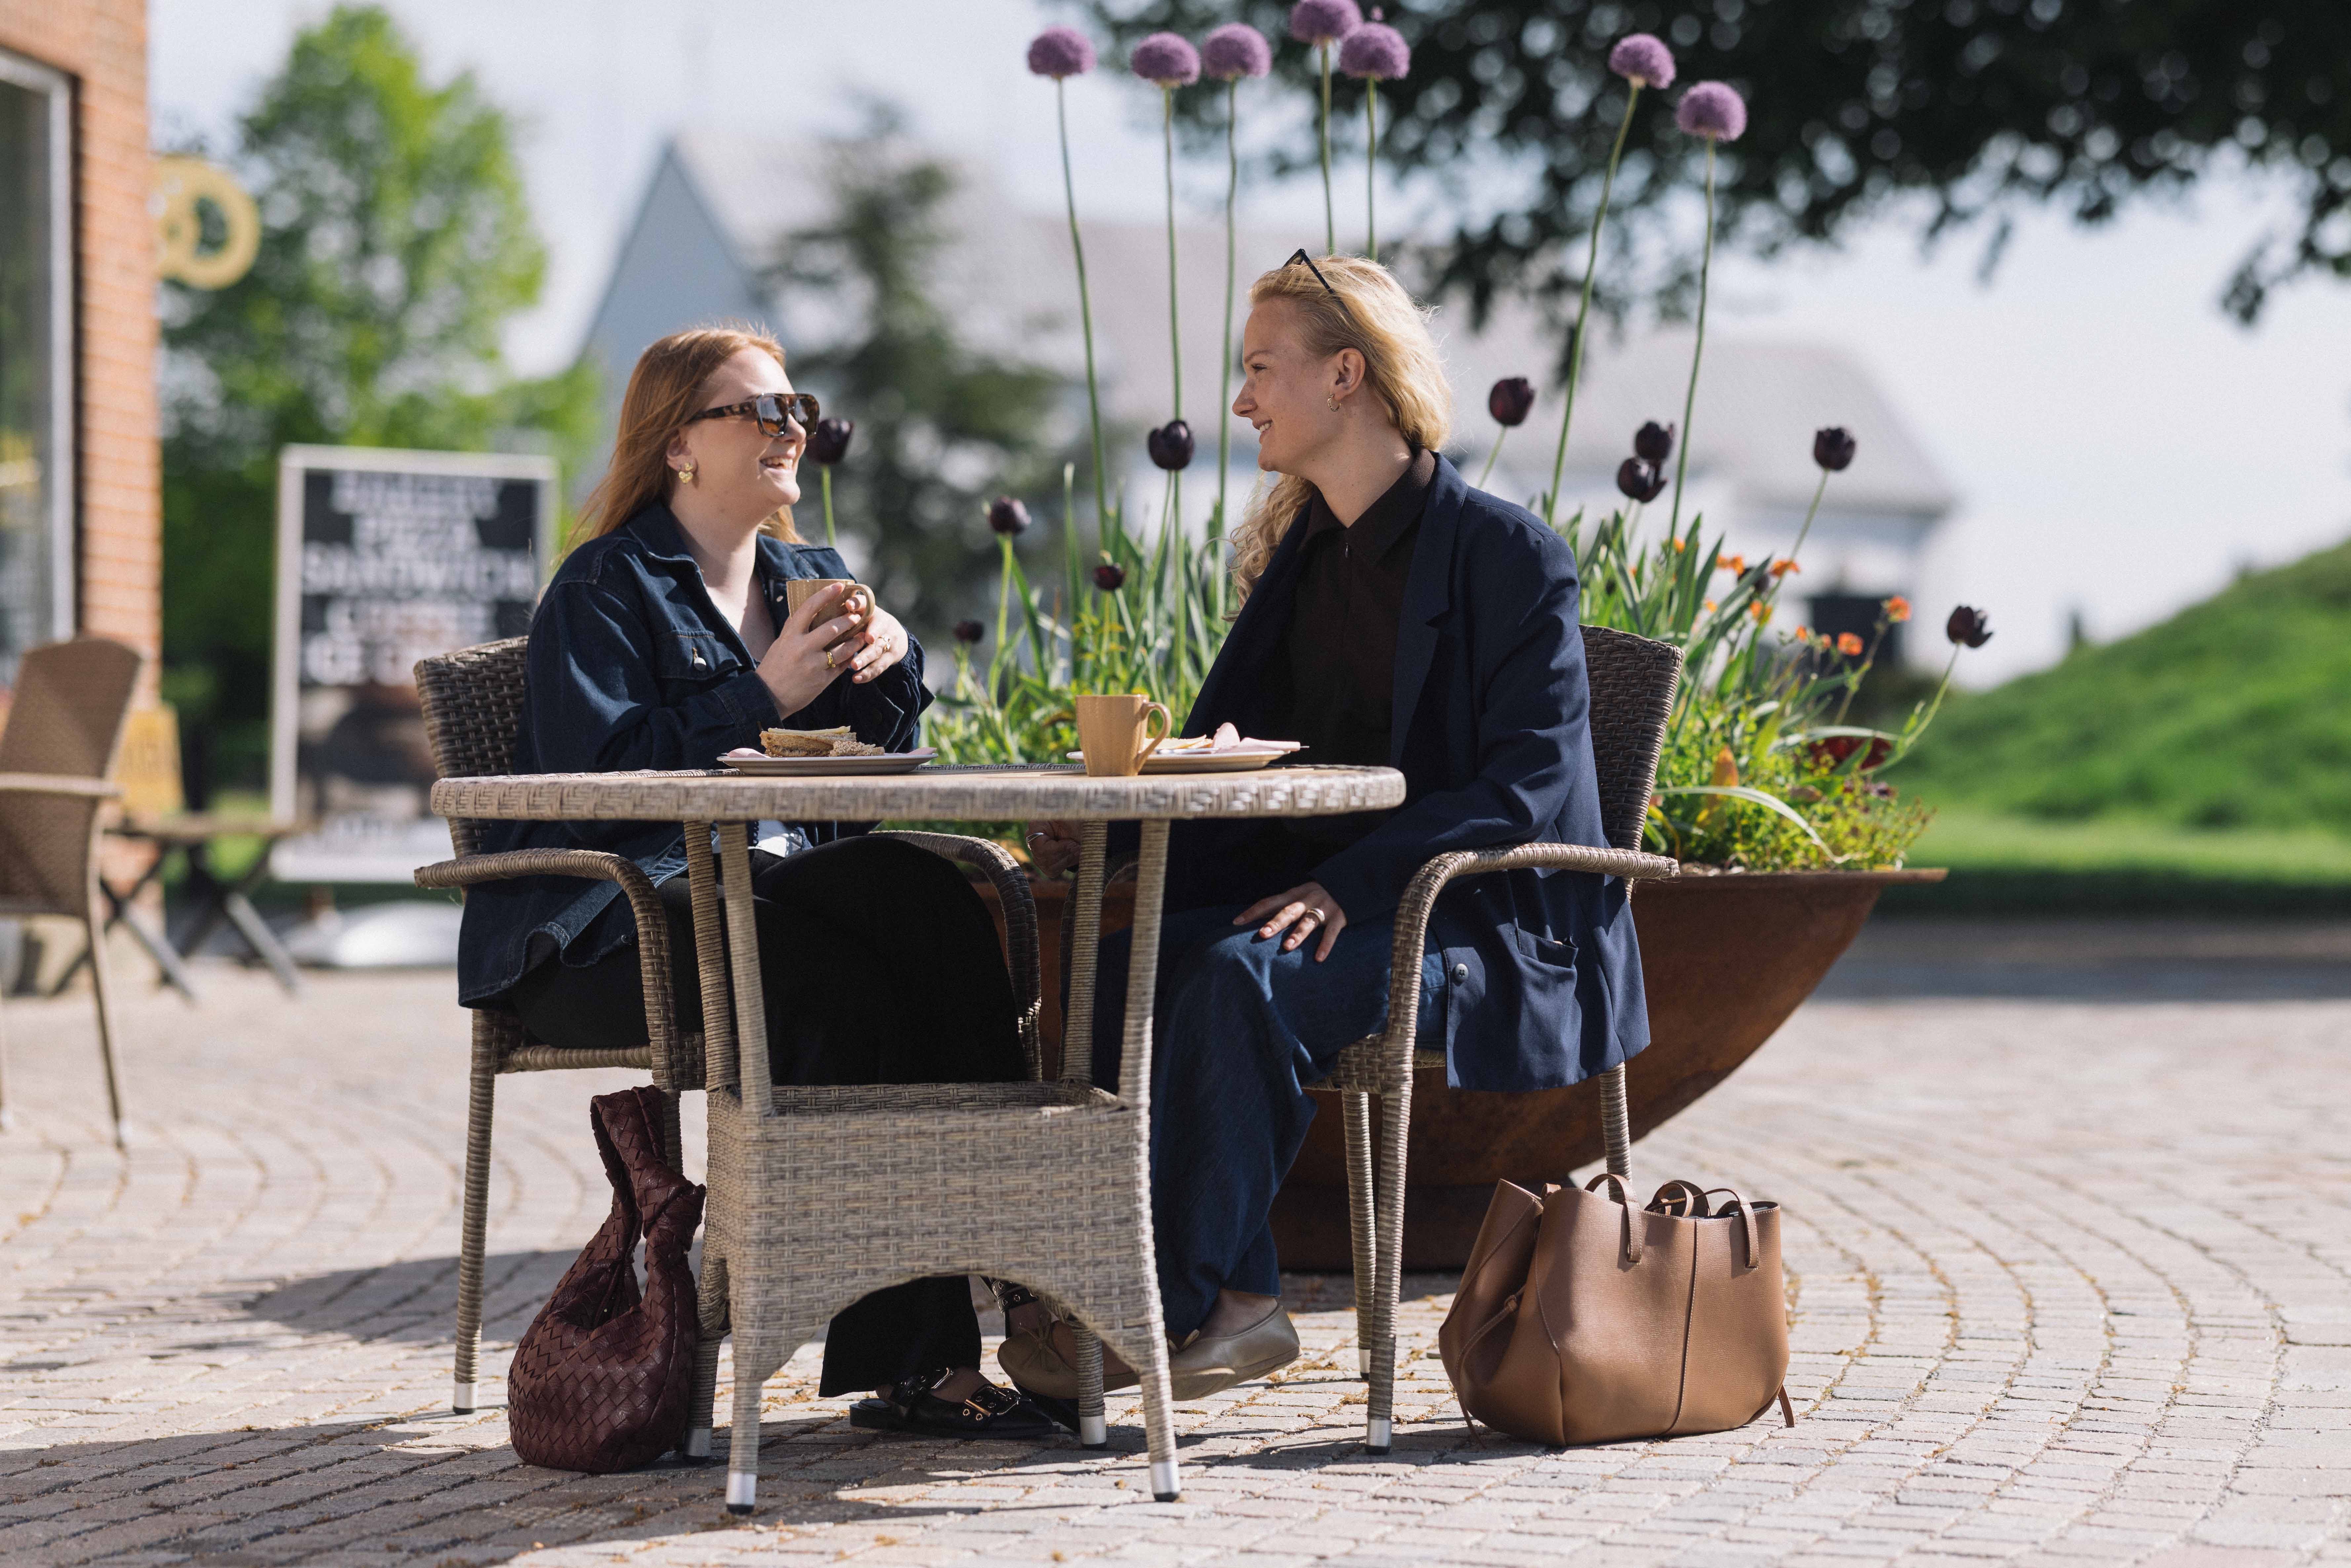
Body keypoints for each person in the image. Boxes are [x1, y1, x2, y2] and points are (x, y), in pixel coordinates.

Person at [1009, 255, 1648, 1403]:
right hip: (1340, 901)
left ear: (1345, 374)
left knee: (1239, 981)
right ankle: (1216, 1299)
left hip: (1478, 922)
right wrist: (1108, 831)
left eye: (1262, 370)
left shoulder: (1509, 558)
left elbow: (1528, 781)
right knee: (1110, 971)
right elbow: (1241, 757)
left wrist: (1353, 884)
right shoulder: (1304, 556)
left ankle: (1181, 1307)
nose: (1244, 400)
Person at [455, 325, 1052, 1441]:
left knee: (930, 905)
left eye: (797, 407)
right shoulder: (604, 587)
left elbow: (855, 796)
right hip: (606, 929)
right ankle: (913, 1359)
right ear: (680, 443)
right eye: (761, 410)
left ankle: (1021, 1276)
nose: (794, 428)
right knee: (827, 973)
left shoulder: (811, 577)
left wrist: (894, 667)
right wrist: (762, 695)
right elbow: (592, 786)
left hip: (769, 899)